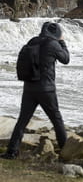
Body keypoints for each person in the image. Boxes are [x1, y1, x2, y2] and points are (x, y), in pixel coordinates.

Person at [1, 22, 70, 159]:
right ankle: (65, 152)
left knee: (22, 121)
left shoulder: (33, 41)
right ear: (56, 33)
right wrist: (62, 42)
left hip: (29, 88)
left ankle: (11, 152)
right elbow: (66, 59)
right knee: (57, 120)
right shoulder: (53, 44)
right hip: (46, 90)